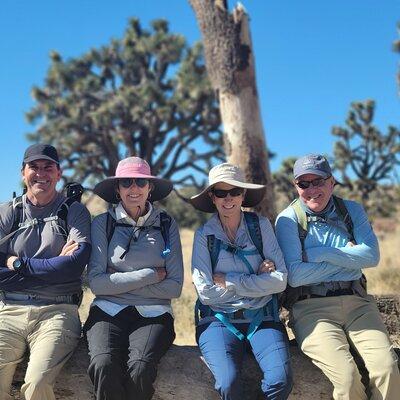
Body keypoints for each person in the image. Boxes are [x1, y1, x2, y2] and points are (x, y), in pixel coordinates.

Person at [275, 154, 400, 400]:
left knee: (387, 369)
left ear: (332, 181)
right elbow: (297, 276)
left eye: (318, 181)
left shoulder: (351, 211)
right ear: (295, 186)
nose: (311, 189)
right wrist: (349, 261)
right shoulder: (288, 220)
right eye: (303, 184)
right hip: (311, 308)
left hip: (359, 304)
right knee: (347, 377)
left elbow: (372, 257)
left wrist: (320, 253)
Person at [190, 163, 293, 400]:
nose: (228, 199)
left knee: (280, 380)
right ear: (212, 197)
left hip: (263, 318)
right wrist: (257, 281)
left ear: (243, 194)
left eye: (235, 191)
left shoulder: (261, 226)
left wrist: (230, 281)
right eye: (221, 193)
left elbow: (280, 281)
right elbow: (206, 293)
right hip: (218, 320)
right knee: (228, 383)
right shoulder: (203, 236)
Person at [85, 156, 184, 400]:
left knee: (140, 367)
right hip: (107, 310)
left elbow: (174, 287)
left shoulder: (166, 224)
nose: (134, 188)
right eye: (126, 182)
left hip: (154, 313)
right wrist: (150, 275)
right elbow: (96, 282)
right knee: (103, 364)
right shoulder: (103, 223)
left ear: (150, 188)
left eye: (140, 182)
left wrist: (116, 283)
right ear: (117, 189)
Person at [0, 143, 91, 400]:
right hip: (8, 310)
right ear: (22, 172)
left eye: (47, 167)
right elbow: (60, 268)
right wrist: (52, 266)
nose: (41, 173)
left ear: (58, 173)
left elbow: (73, 266)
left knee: (38, 383)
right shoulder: (8, 212)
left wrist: (15, 263)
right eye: (34, 167)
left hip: (58, 311)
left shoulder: (74, 212)